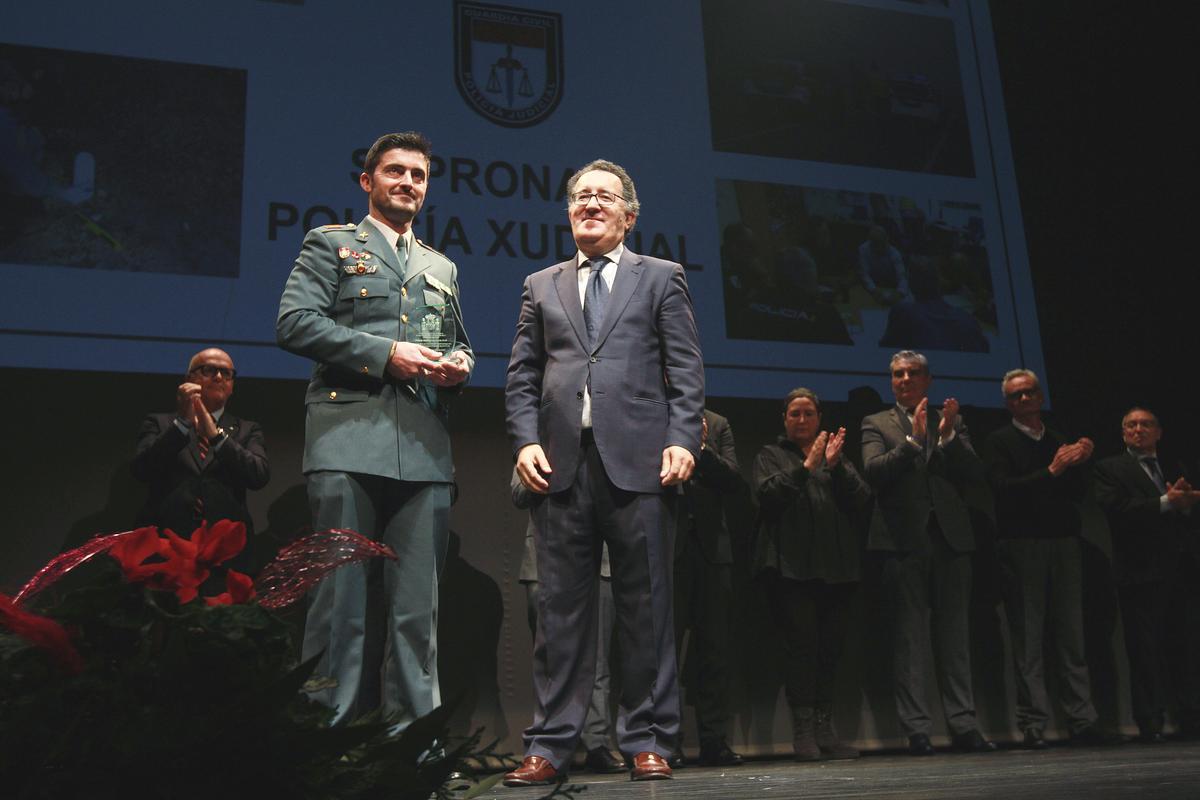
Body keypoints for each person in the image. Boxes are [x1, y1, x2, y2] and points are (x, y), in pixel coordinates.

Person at [504, 158, 704, 784]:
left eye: (604, 196)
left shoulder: (661, 277)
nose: (590, 203)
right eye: (580, 196)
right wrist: (524, 441)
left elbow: (686, 370)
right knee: (559, 614)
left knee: (646, 610)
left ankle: (649, 738)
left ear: (629, 214)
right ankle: (550, 744)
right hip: (561, 466)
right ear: (568, 212)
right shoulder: (541, 284)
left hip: (640, 463)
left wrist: (683, 440)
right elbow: (522, 376)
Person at [276, 131, 473, 729]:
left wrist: (461, 362)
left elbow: (453, 340)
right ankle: (322, 747)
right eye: (395, 172)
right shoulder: (331, 245)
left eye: (418, 175)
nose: (408, 183)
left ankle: (414, 754)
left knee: (418, 611)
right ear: (368, 181)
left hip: (424, 450)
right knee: (339, 605)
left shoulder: (441, 265)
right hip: (347, 438)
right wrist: (386, 353)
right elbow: (294, 323)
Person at [860, 350, 996, 755]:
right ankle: (917, 729)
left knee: (955, 638)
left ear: (928, 380)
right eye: (898, 374)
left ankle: (963, 724)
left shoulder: (949, 421)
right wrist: (913, 442)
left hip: (950, 539)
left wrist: (948, 436)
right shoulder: (876, 423)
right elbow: (874, 471)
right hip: (903, 541)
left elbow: (974, 473)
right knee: (910, 641)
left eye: (912, 373)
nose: (904, 379)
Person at [983, 369, 1115, 747]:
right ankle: (1033, 722)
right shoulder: (999, 441)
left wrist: (1080, 461)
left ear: (1041, 397)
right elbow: (1003, 490)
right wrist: (1052, 470)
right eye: (1016, 396)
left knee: (1071, 635)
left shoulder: (1058, 438)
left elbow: (1076, 494)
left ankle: (1081, 718)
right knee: (1029, 637)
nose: (1024, 400)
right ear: (1008, 403)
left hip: (1064, 543)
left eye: (1029, 394)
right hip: (1023, 545)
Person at [753, 389, 871, 761]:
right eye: (794, 414)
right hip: (792, 570)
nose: (801, 420)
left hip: (835, 570)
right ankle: (803, 732)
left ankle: (824, 729)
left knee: (830, 651)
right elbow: (768, 495)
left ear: (819, 417)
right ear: (784, 419)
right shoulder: (770, 455)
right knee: (801, 650)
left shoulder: (836, 458)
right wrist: (805, 468)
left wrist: (835, 467)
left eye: (808, 414)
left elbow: (862, 500)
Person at [1094, 407, 1200, 742]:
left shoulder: (1174, 467)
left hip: (1178, 570)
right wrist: (1167, 502)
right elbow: (1118, 510)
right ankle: (1150, 720)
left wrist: (1186, 505)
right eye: (1131, 425)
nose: (1138, 430)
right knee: (1144, 650)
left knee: (1183, 647)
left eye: (1146, 424)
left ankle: (1190, 717)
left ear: (1159, 432)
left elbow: (1184, 515)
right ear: (1123, 433)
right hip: (1138, 572)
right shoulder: (1109, 468)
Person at [512, 468, 625, 774]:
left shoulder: (605, 443)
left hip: (599, 562)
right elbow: (519, 493)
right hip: (545, 562)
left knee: (598, 661)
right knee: (551, 661)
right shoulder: (542, 437)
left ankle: (597, 742)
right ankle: (549, 745)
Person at [132, 348, 269, 544]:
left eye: (227, 373)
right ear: (189, 379)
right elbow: (142, 470)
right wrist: (181, 426)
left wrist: (216, 437)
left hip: (226, 548)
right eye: (209, 370)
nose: (219, 377)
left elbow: (259, 476)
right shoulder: (159, 424)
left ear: (232, 386)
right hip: (166, 544)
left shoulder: (248, 430)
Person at [673, 409, 745, 767]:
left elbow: (732, 477)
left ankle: (714, 740)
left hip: (713, 552)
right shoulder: (650, 413)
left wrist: (701, 448)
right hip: (668, 549)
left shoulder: (716, 424)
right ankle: (664, 740)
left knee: (714, 651)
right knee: (664, 652)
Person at [858, 224, 908, 304]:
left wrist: (900, 293)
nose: (880, 249)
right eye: (876, 245)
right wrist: (873, 289)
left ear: (886, 241)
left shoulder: (895, 253)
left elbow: (902, 277)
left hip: (891, 287)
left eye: (882, 245)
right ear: (871, 243)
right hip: (871, 288)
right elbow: (864, 274)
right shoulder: (863, 249)